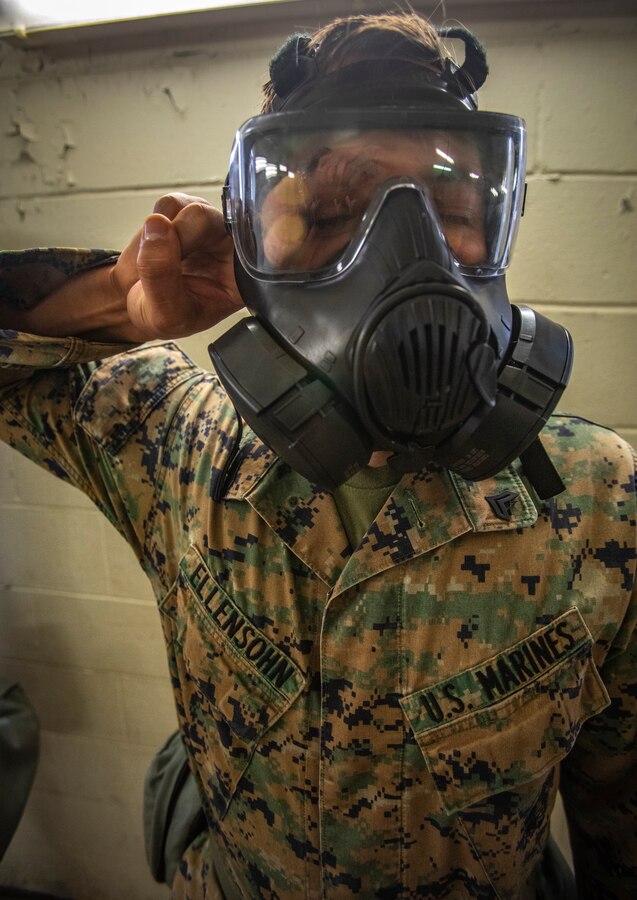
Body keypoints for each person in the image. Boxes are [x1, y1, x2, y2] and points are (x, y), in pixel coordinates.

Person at [0, 11, 636, 899]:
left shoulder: (597, 497)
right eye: (333, 209)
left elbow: (621, 820)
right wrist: (122, 300)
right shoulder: (179, 443)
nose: (405, 255)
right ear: (257, 243)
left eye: (451, 209)